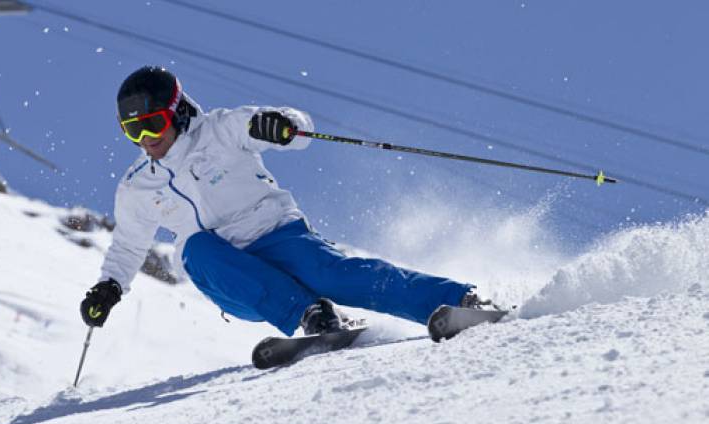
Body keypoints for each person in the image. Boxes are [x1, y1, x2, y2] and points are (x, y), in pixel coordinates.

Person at [80, 66, 483, 337]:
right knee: (196, 248)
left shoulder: (221, 129)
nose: (146, 139)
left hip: (279, 236)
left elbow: (296, 125)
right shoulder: (137, 186)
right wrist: (109, 288)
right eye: (132, 131)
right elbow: (129, 245)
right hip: (231, 275)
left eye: (152, 124)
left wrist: (281, 126)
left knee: (337, 275)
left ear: (177, 112)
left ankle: (460, 301)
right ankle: (311, 316)